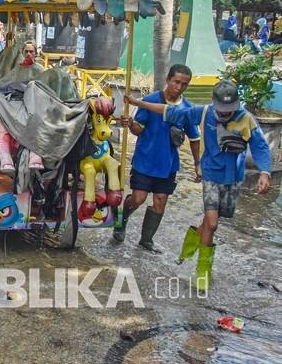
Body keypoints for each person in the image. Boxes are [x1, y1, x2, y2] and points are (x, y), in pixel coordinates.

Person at [125, 80, 273, 290]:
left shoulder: (246, 119)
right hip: (211, 175)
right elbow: (168, 111)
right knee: (212, 223)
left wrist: (264, 172)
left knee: (210, 222)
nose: (225, 114)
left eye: (229, 110)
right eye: (222, 110)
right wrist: (138, 102)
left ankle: (186, 252)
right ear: (214, 103)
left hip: (233, 178)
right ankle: (203, 273)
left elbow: (260, 147)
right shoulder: (203, 113)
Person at [115, 64, 201, 252]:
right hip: (145, 160)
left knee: (160, 200)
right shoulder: (151, 100)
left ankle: (146, 239)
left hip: (168, 164)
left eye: (184, 84)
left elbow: (194, 139)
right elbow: (138, 130)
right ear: (168, 80)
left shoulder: (187, 109)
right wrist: (131, 124)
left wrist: (197, 165)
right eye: (176, 82)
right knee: (138, 198)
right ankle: (121, 218)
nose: (179, 87)